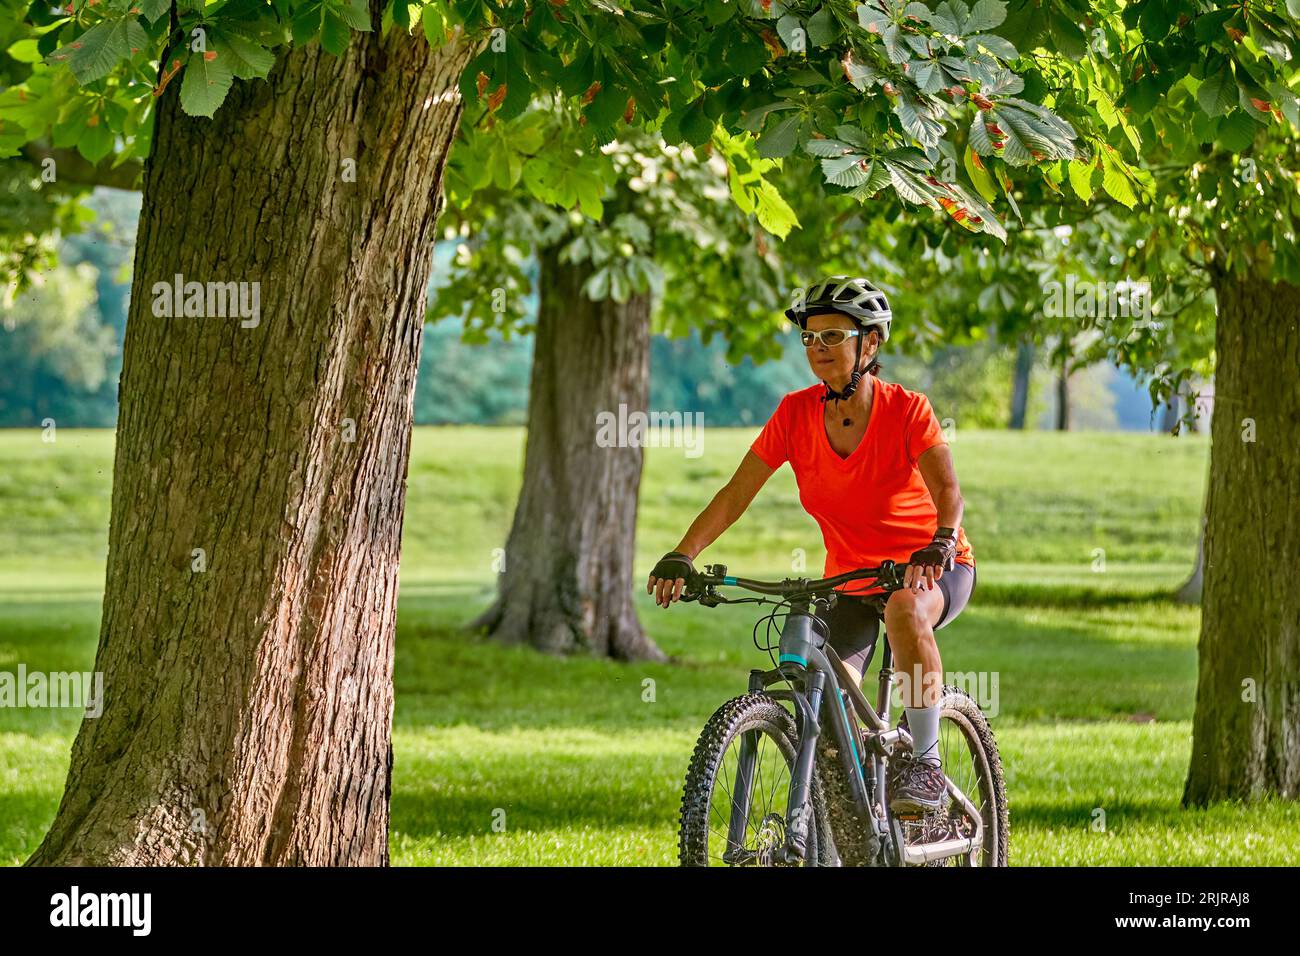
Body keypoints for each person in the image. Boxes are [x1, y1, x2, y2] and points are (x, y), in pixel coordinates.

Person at [646, 276, 977, 814]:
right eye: (809, 338)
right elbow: (736, 494)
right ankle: (855, 824)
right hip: (850, 577)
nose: (817, 349)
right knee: (825, 712)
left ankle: (926, 765)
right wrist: (684, 554)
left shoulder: (907, 410)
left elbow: (948, 490)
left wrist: (940, 541)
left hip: (931, 568)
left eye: (832, 336)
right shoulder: (795, 414)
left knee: (903, 610)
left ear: (869, 343)